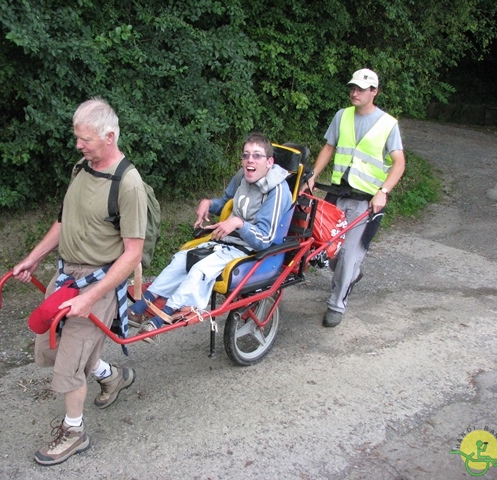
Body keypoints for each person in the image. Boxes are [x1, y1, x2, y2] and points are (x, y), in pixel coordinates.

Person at [12, 98, 147, 465]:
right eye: (77, 138)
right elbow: (63, 222)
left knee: (69, 360)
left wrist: (92, 298)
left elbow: (133, 253)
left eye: (84, 139)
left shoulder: (129, 185)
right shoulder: (81, 169)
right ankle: (111, 374)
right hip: (65, 276)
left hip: (98, 284)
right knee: (50, 344)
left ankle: (74, 432)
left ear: (110, 136)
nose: (78, 145)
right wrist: (33, 258)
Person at [130, 132, 294, 341]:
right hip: (226, 241)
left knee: (199, 270)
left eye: (257, 155)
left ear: (269, 162)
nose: (249, 160)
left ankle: (161, 319)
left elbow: (264, 239)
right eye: (245, 155)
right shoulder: (242, 176)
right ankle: (141, 308)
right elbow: (226, 202)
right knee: (181, 259)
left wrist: (238, 223)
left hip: (250, 251)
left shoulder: (277, 191)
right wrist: (209, 203)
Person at [304, 68, 406, 328]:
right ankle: (352, 274)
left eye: (361, 89)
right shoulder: (342, 116)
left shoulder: (388, 124)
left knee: (349, 254)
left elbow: (399, 163)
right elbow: (329, 147)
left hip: (366, 200)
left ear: (375, 92)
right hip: (337, 194)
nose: (355, 92)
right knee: (328, 249)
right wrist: (313, 174)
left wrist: (383, 192)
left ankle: (336, 305)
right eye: (353, 87)